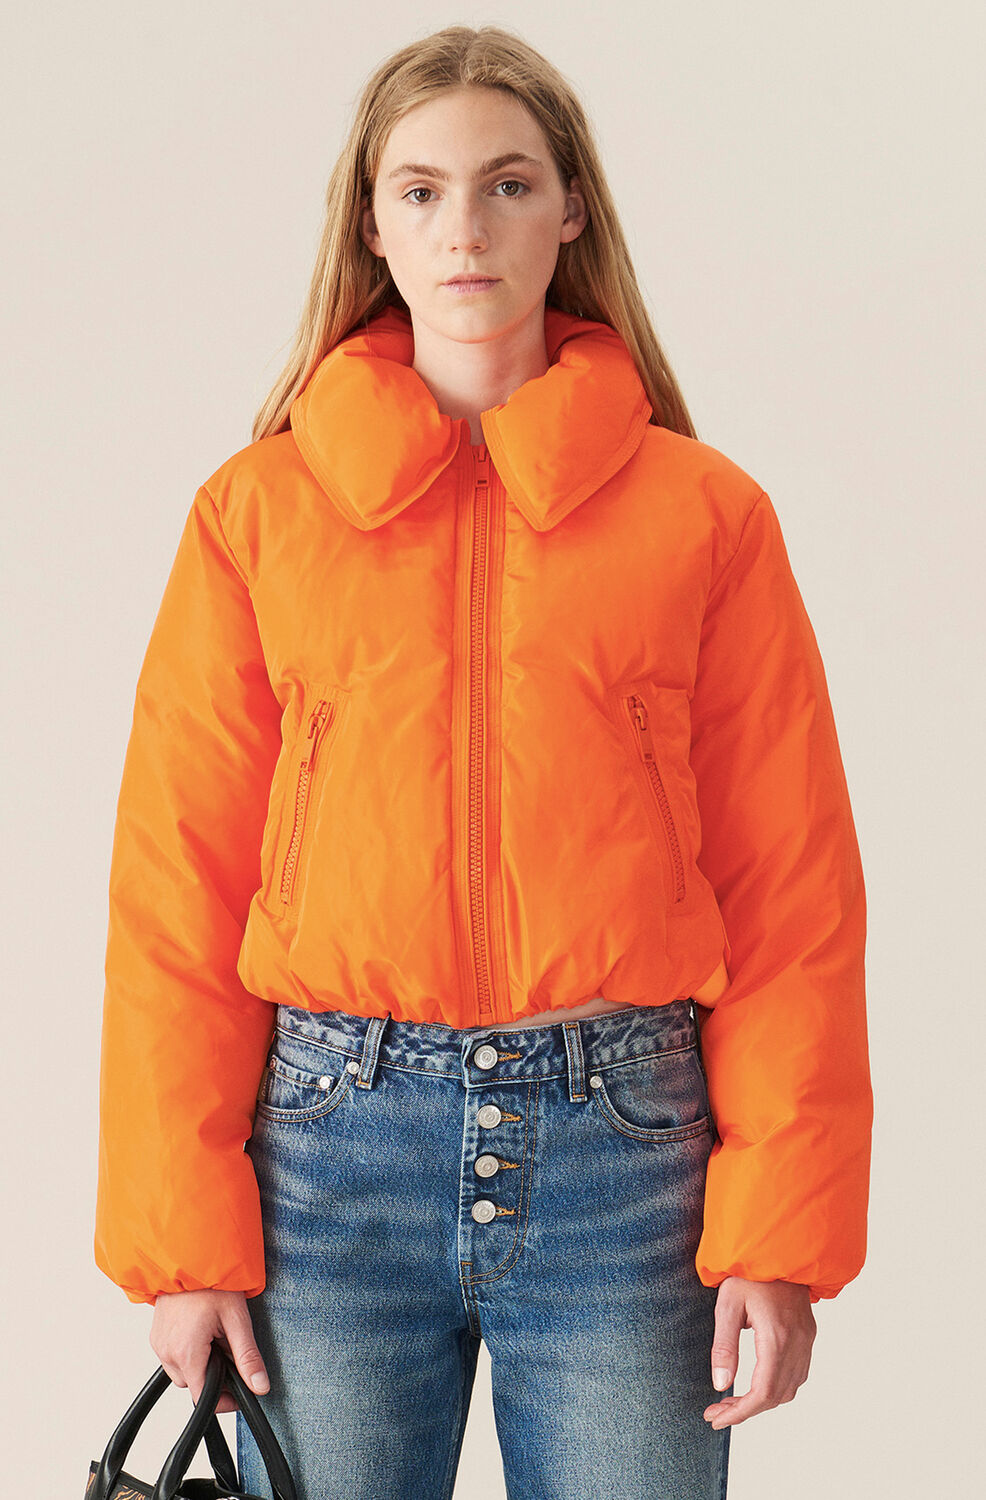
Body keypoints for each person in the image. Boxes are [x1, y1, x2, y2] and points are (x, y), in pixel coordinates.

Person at [93, 24, 873, 1500]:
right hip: (327, 1165)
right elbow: (177, 886)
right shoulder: (255, 513)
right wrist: (180, 1238)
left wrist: (780, 1230)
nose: (465, 228)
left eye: (508, 184)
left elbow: (791, 888)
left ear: (571, 209)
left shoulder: (704, 515)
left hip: (626, 1161)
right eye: (422, 190)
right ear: (371, 224)